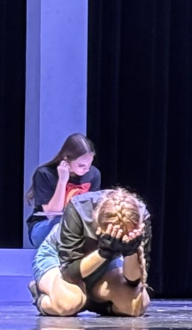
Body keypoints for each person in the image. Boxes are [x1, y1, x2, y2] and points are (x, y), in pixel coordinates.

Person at [29, 188, 151, 317]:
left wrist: (131, 252)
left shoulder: (141, 218)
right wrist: (104, 252)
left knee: (135, 306)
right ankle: (44, 296)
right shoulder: (78, 208)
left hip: (107, 262)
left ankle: (89, 301)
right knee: (67, 304)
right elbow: (69, 273)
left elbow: (133, 281)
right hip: (59, 257)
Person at [26, 133, 101, 246]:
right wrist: (62, 181)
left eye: (89, 165)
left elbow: (92, 211)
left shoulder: (93, 174)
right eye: (81, 165)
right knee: (61, 223)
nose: (86, 169)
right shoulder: (45, 174)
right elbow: (51, 214)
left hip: (79, 227)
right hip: (46, 226)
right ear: (66, 160)